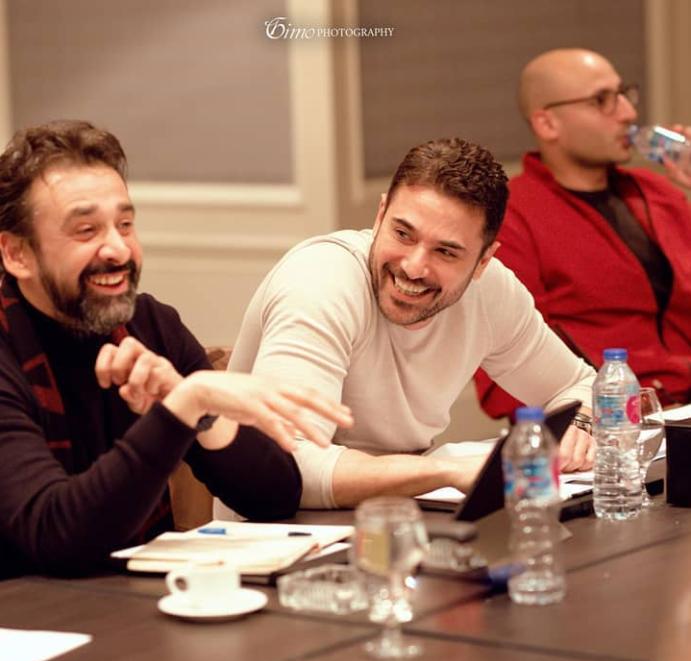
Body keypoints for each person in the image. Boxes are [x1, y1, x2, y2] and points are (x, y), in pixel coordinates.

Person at [0, 120, 353, 579]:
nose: (118, 249)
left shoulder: (150, 325)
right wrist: (182, 408)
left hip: (139, 604)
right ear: (17, 254)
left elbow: (275, 495)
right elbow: (55, 535)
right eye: (86, 230)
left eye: (125, 225)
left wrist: (198, 413)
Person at [223, 137, 596, 511]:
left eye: (445, 251)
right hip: (282, 532)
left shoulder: (491, 291)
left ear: (483, 262)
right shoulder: (320, 281)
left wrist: (578, 426)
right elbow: (287, 467)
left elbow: (579, 384)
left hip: (400, 516)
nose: (414, 267)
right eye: (403, 234)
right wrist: (445, 471)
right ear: (380, 215)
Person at [475, 48, 691, 419]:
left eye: (623, 94)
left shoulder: (660, 194)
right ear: (547, 124)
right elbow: (502, 370)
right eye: (602, 100)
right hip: (608, 420)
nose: (628, 113)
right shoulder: (510, 214)